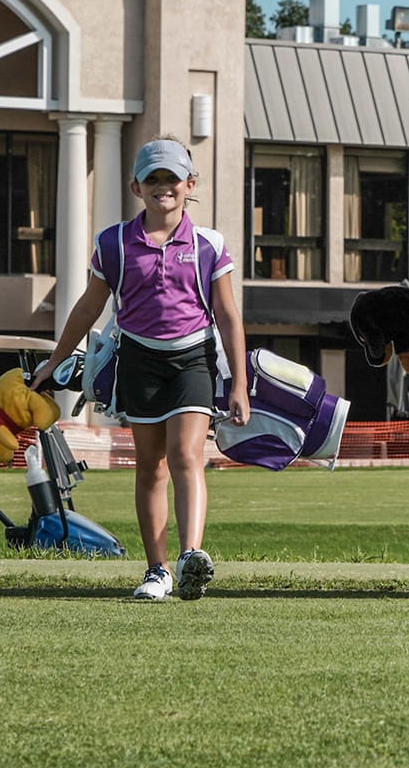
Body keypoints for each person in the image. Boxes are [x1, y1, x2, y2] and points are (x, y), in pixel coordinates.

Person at [33, 139, 250, 602]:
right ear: (136, 186)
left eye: (171, 178)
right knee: (150, 466)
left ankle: (191, 556)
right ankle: (158, 571)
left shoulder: (210, 244)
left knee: (186, 455)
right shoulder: (113, 242)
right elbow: (89, 306)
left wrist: (240, 385)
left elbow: (229, 316)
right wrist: (56, 361)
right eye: (152, 179)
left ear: (190, 185)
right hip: (138, 359)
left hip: (193, 358)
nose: (162, 187)